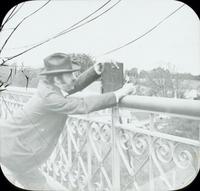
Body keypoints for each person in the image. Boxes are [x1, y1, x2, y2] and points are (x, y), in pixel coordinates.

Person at [0, 52, 135, 190]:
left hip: (11, 148)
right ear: (57, 79)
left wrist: (95, 71)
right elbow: (82, 105)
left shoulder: (50, 87)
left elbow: (71, 86)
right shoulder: (50, 97)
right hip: (13, 153)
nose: (74, 77)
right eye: (70, 74)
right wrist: (118, 94)